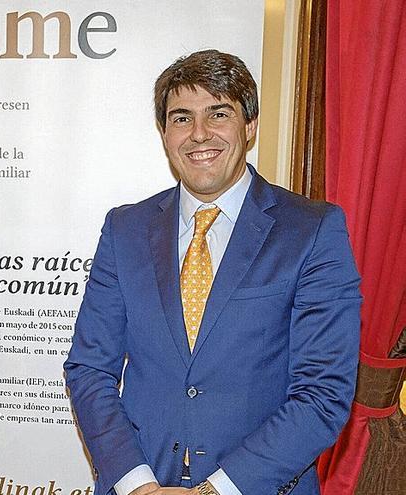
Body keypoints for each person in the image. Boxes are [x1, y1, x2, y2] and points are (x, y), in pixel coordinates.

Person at [64, 50, 361, 495]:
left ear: (250, 125)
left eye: (218, 113)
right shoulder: (124, 229)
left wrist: (214, 491)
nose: (198, 134)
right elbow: (90, 369)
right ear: (164, 134)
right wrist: (137, 485)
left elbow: (322, 394)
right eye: (181, 118)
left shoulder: (312, 230)